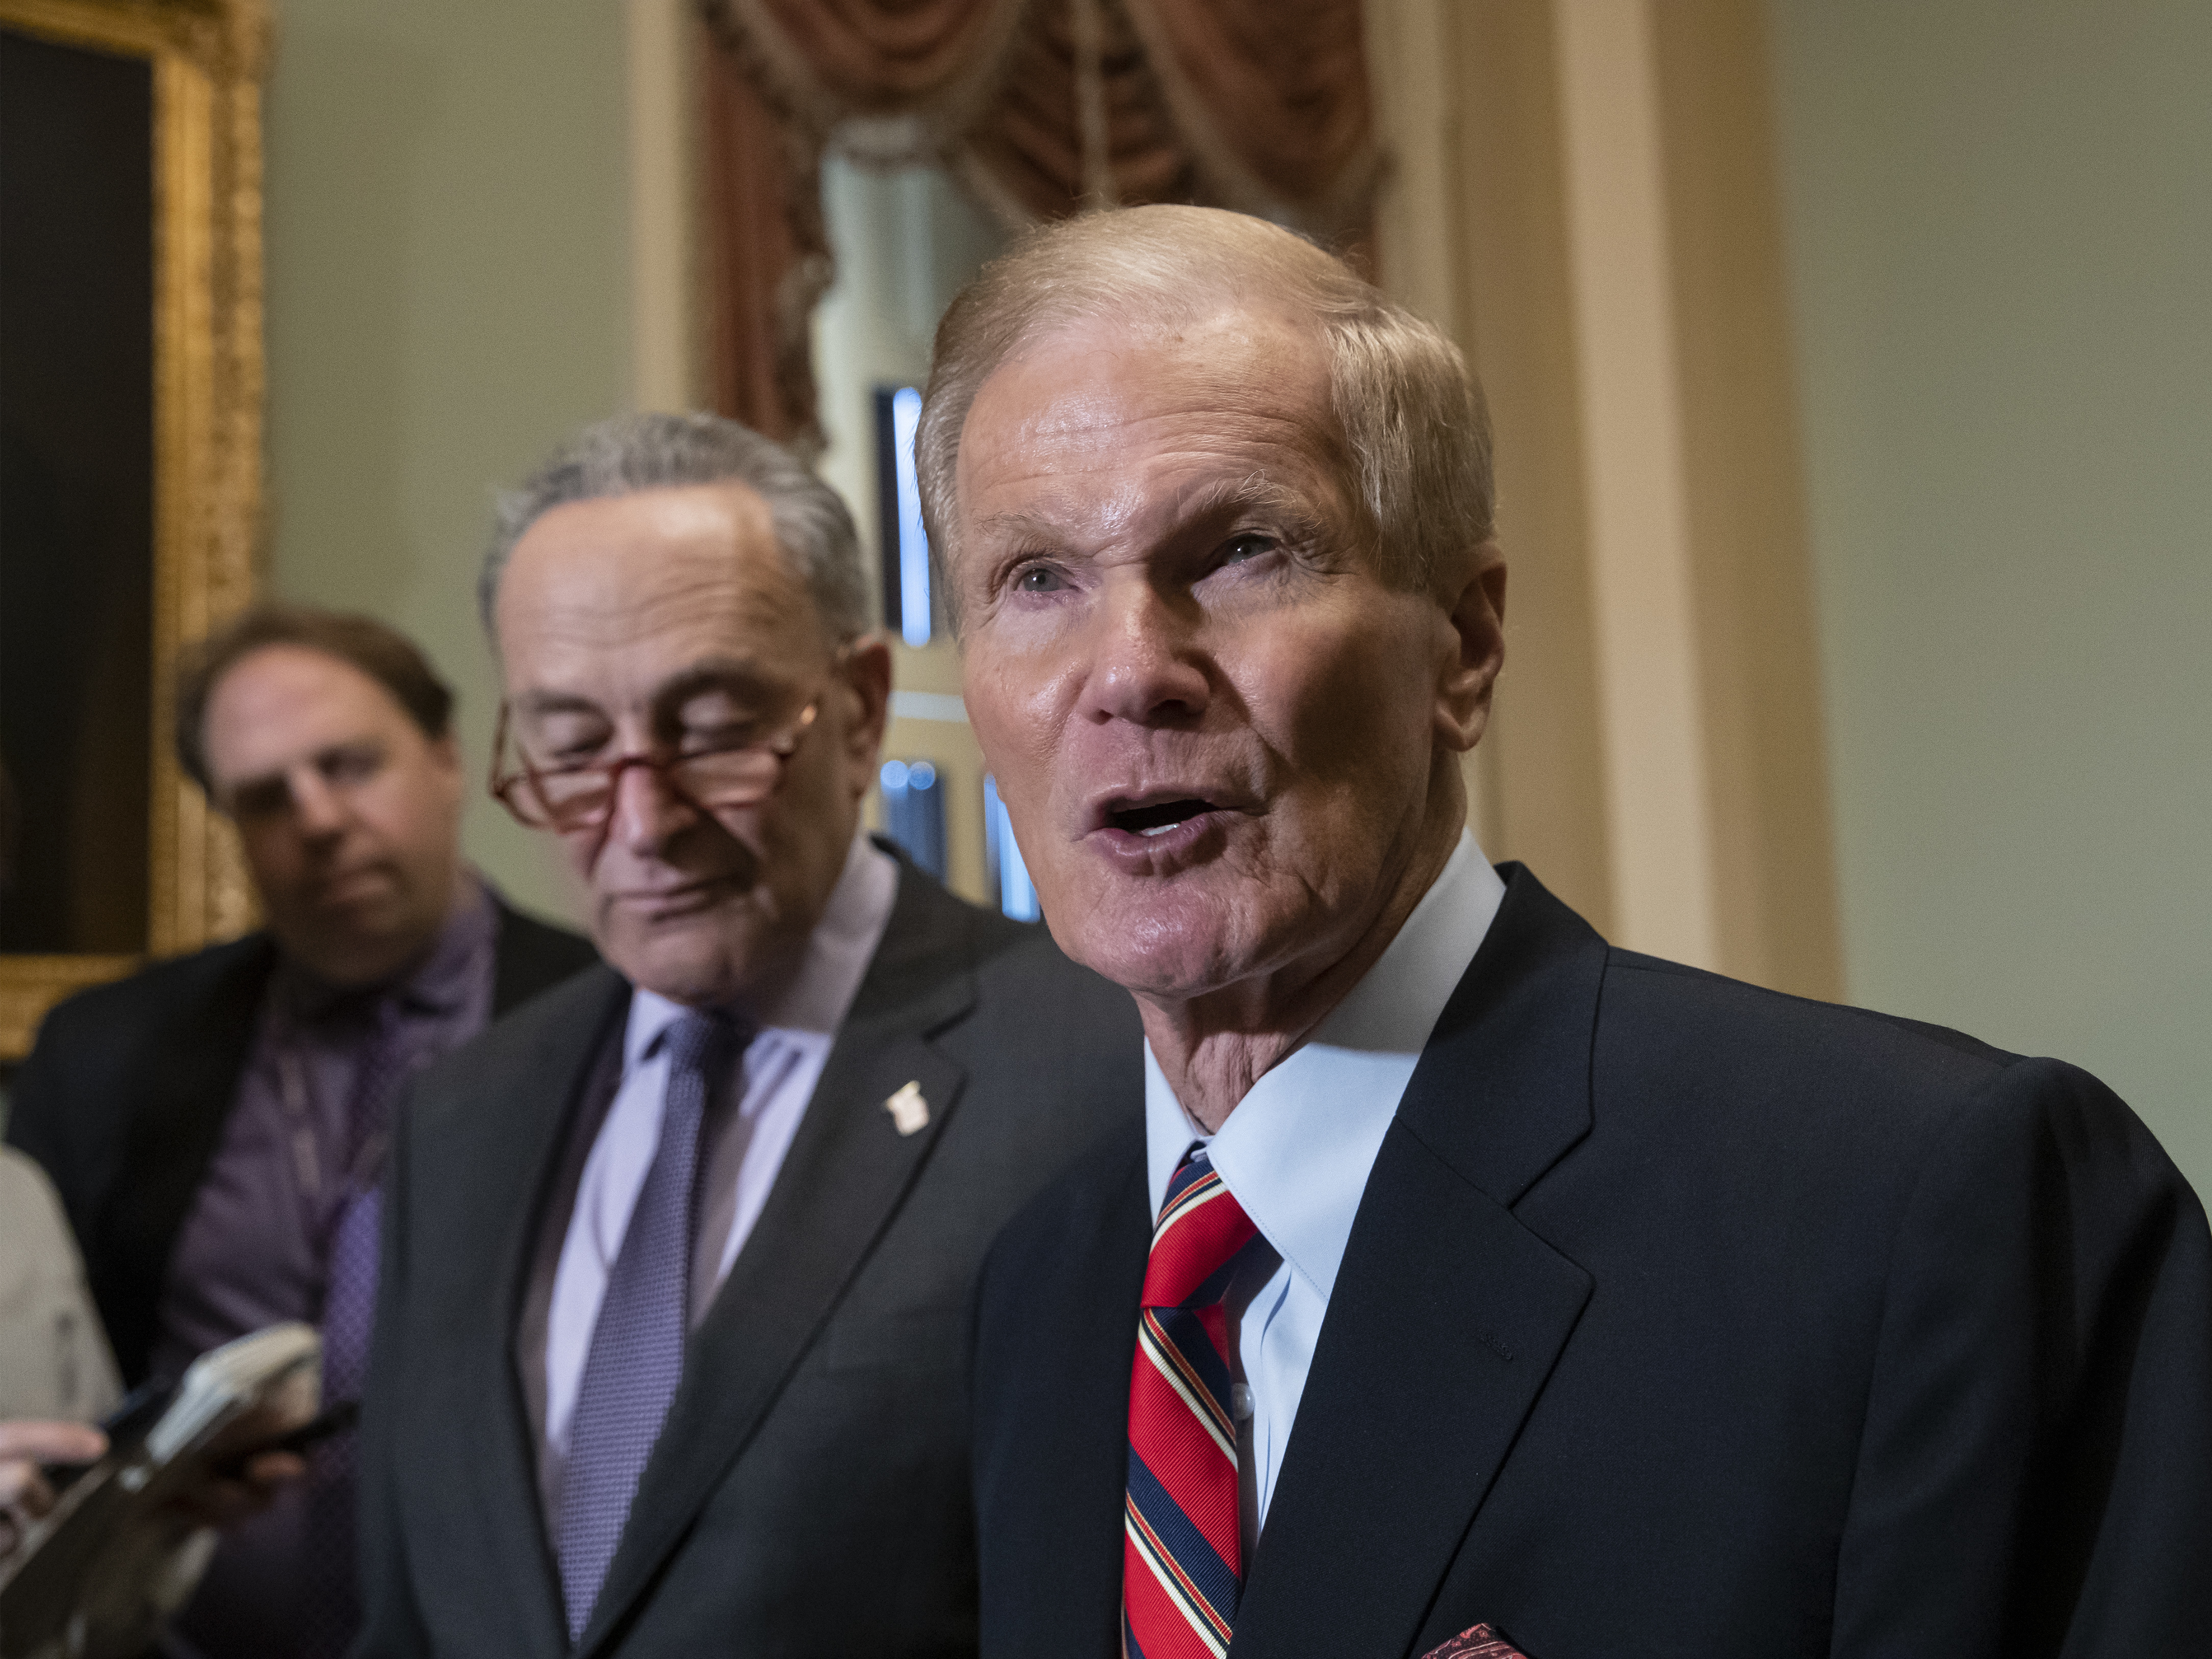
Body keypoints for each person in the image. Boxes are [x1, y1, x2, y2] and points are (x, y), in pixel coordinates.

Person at [929, 204, 2212, 1659]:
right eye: (1036, 579)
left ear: (1464, 646)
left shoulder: (1929, 1201)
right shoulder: (1047, 1288)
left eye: (1241, 549)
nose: (1129, 671)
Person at [353, 412, 1140, 1658]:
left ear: (862, 708)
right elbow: (402, 1617)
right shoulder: (461, 1114)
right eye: (568, 747)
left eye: (713, 730)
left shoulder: (1101, 1066)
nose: (643, 821)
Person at [6, 606, 598, 1658]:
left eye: (350, 765)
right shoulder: (107, 1054)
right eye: (267, 796)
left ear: (448, 757)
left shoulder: (615, 1019)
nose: (318, 818)